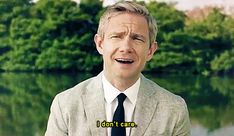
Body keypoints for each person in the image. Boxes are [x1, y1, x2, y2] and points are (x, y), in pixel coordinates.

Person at [45, 1, 190, 136]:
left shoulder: (174, 109)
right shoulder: (65, 104)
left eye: (137, 38)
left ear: (150, 50)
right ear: (100, 44)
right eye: (116, 36)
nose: (126, 47)